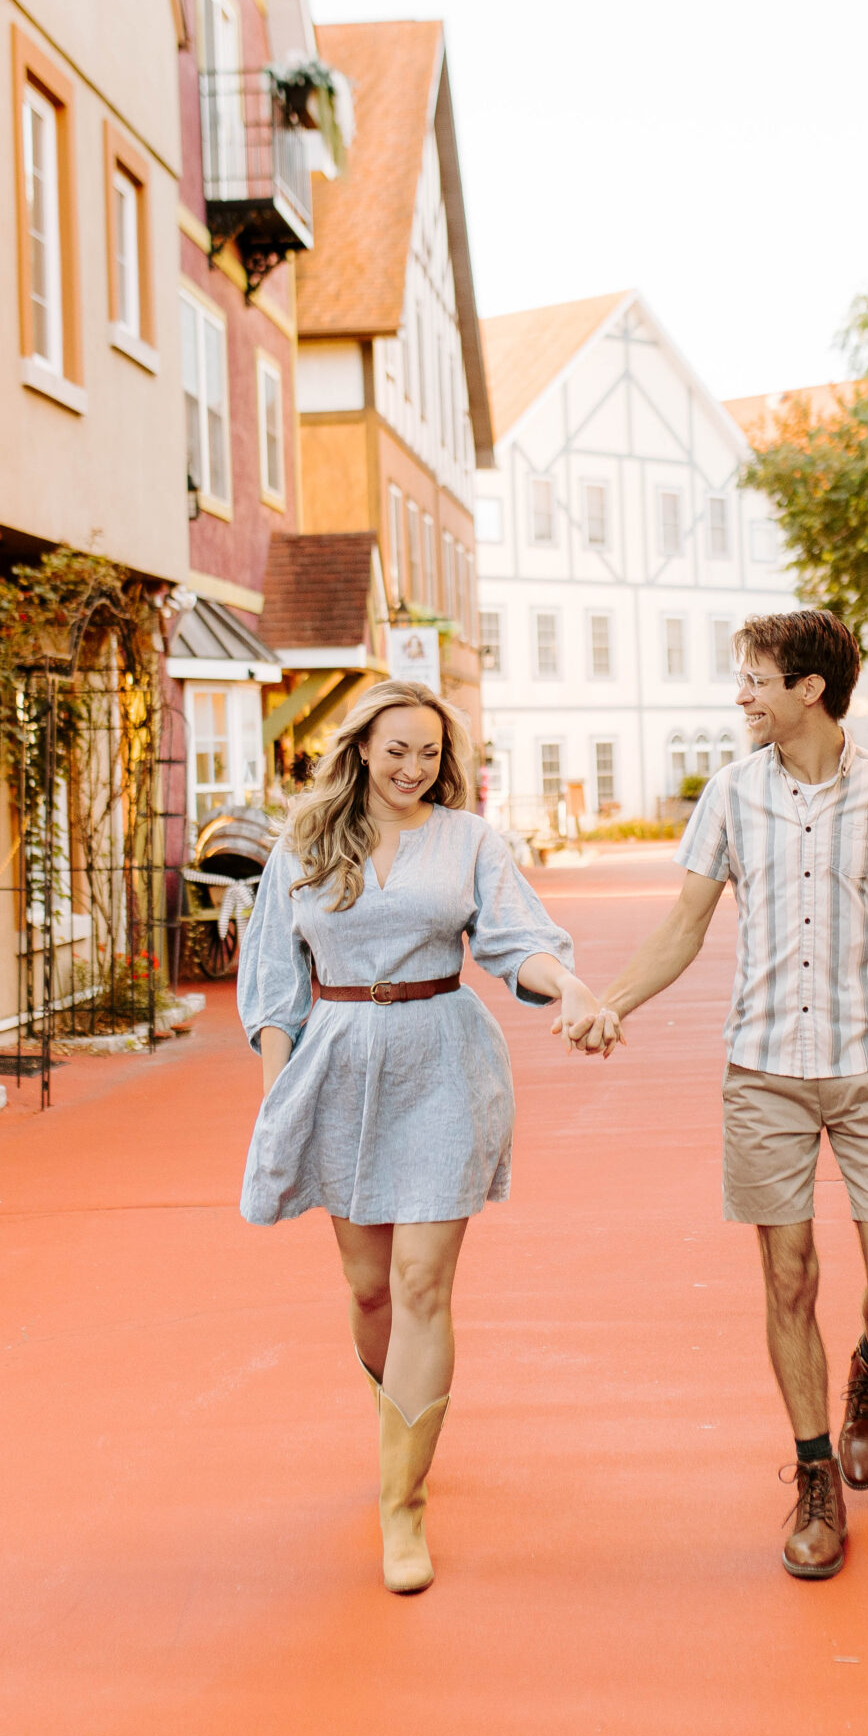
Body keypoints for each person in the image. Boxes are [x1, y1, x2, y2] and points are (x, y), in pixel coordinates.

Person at [571, 611, 868, 1580]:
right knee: (787, 1276)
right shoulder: (729, 795)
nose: (741, 694)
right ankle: (814, 1473)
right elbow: (684, 923)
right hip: (762, 1071)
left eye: (756, 679)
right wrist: (610, 1002)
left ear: (810, 691)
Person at [238, 680, 603, 1594]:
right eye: (396, 749)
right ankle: (401, 1424)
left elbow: (518, 939)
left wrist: (572, 988)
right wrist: (281, 1085)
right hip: (336, 1063)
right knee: (369, 1291)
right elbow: (274, 979)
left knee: (420, 1282)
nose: (413, 768)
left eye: (430, 754)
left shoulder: (470, 841)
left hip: (442, 1060)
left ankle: (401, 1504)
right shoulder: (306, 841)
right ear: (361, 746)